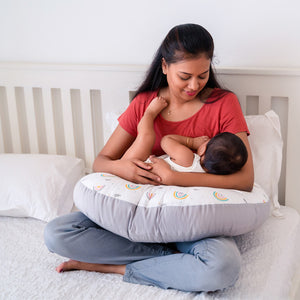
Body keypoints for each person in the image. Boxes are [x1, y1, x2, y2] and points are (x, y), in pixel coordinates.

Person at [44, 23, 254, 292]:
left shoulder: (224, 103)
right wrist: (124, 169)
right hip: (137, 214)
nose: (194, 85)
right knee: (57, 233)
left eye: (203, 75)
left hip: (193, 222)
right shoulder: (145, 103)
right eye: (185, 76)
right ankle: (177, 263)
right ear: (165, 66)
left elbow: (246, 180)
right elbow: (101, 162)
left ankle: (119, 266)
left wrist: (174, 178)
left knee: (223, 266)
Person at [122, 95, 248, 174]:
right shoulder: (205, 177)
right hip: (140, 171)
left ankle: (149, 113)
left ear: (202, 150)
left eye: (209, 141)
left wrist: (191, 142)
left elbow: (166, 140)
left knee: (146, 137)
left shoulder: (188, 159)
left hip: (136, 164)